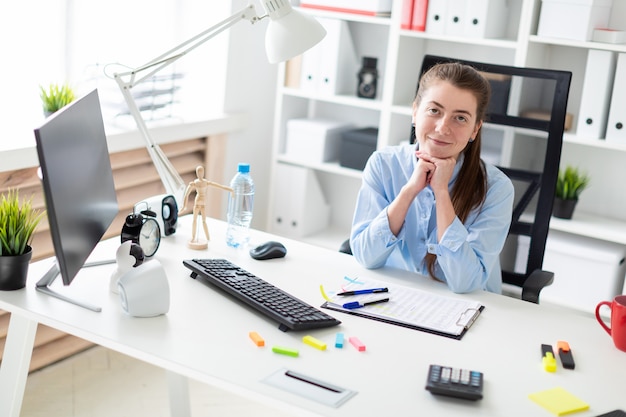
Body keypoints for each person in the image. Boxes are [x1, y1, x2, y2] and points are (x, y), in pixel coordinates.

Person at [350, 62, 514, 294]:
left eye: (460, 118)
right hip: (396, 296)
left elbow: (466, 284)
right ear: (415, 112)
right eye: (434, 111)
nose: (442, 128)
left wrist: (441, 193)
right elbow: (366, 257)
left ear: (475, 129)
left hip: (467, 308)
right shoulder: (384, 164)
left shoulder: (497, 188)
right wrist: (409, 191)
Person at [179, 165, 232, 248]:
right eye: (199, 172)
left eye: (202, 172)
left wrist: (230, 189)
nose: (200, 174)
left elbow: (219, 186)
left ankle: (208, 237)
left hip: (203, 203)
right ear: (196, 173)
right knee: (195, 220)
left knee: (204, 221)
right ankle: (193, 237)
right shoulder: (195, 183)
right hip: (197, 202)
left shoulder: (206, 182)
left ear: (203, 172)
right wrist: (184, 206)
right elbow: (186, 194)